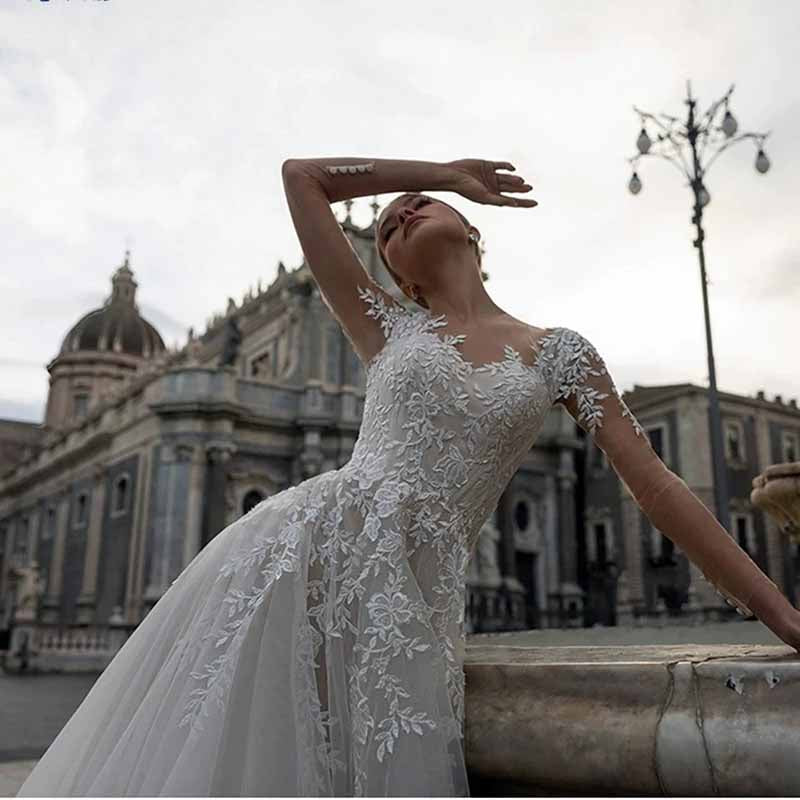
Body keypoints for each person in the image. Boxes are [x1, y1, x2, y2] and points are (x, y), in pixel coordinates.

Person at [17, 157, 800, 798]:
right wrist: (443, 172)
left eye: (417, 204)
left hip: (412, 597)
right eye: (388, 222)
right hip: (292, 557)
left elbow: (659, 487)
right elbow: (303, 179)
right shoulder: (385, 322)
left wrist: (779, 613)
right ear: (389, 270)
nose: (399, 211)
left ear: (473, 234)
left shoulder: (559, 352)